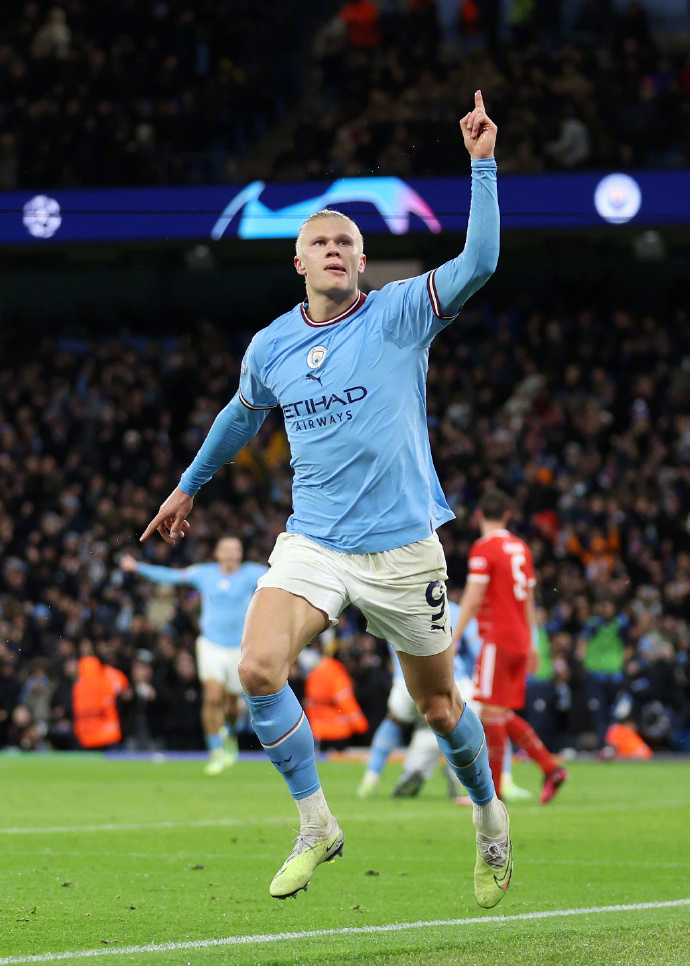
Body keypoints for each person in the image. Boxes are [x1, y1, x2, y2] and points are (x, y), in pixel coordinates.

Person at [140, 92, 512, 909]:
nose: (336, 250)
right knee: (256, 668)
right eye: (322, 242)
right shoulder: (272, 345)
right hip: (314, 542)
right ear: (299, 263)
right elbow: (241, 416)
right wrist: (188, 485)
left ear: (362, 260)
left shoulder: (401, 312)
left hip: (404, 545)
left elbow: (480, 262)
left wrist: (482, 165)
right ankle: (317, 824)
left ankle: (490, 818)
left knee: (438, 705)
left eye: (347, 242)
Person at [451, 489, 569, 804]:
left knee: (490, 713)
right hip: (520, 639)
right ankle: (550, 768)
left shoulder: (483, 548)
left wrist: (455, 637)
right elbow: (529, 599)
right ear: (507, 515)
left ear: (479, 516)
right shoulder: (521, 548)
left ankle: (491, 794)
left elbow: (473, 597)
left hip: (497, 639)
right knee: (500, 712)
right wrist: (534, 642)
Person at [120, 537, 267, 774]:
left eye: (236, 550)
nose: (232, 555)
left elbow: (283, 575)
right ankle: (216, 751)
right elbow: (171, 576)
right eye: (227, 550)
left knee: (231, 705)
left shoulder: (253, 574)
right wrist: (138, 567)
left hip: (238, 648)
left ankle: (229, 733)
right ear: (217, 554)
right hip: (211, 645)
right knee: (212, 696)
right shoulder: (205, 574)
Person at [358, 603, 531, 802]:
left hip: (406, 682)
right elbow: (477, 650)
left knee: (398, 720)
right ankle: (499, 779)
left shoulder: (397, 605)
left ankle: (371, 779)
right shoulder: (453, 609)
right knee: (488, 717)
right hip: (451, 679)